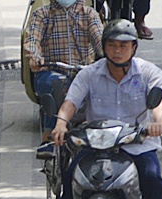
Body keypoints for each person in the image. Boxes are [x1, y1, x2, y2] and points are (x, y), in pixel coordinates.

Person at [49, 19, 162, 199]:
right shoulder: (89, 74)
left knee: (152, 178)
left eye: (124, 46)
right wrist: (61, 123)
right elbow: (70, 102)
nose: (118, 51)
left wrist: (157, 123)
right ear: (104, 47)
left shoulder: (148, 72)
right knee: (73, 175)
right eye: (112, 45)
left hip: (137, 143)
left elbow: (159, 103)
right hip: (98, 144)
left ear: (134, 48)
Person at [23, 0, 104, 134]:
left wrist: (111, 52)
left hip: (82, 73)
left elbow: (101, 41)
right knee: (55, 85)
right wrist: (34, 56)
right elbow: (32, 40)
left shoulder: (89, 14)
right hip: (51, 72)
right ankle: (49, 135)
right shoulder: (42, 14)